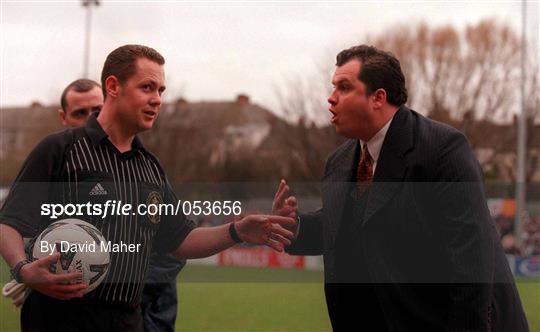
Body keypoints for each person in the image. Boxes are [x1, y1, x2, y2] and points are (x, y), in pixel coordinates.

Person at [0, 44, 294, 331]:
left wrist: (237, 231)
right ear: (113, 86)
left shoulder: (151, 168)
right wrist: (23, 268)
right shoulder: (60, 150)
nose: (157, 99)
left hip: (128, 320)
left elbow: (181, 239)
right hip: (59, 319)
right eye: (147, 87)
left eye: (160, 91)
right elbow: (8, 223)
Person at [272, 45, 528, 331]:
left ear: (378, 97)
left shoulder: (442, 150)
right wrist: (293, 227)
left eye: (344, 87)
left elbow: (471, 264)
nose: (331, 99)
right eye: (333, 88)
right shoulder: (339, 161)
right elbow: (347, 227)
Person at [57, 78, 181, 332]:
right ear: (63, 117)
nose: (90, 119)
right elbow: (23, 228)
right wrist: (32, 269)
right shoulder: (56, 164)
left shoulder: (145, 168)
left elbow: (173, 247)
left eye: (96, 110)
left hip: (143, 312)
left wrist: (112, 277)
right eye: (79, 113)